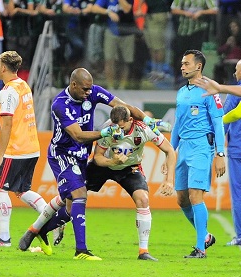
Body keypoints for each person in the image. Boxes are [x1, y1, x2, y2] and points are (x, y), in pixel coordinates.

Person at [19, 67, 165, 260]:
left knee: (70, 205)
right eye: (85, 89)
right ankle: (81, 251)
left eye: (90, 89)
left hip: (80, 157)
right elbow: (78, 136)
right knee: (79, 195)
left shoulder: (94, 92)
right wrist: (104, 133)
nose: (89, 93)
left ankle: (35, 230)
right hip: (63, 155)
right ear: (73, 85)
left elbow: (122, 106)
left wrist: (146, 119)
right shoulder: (60, 105)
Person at [86, 106, 176, 261]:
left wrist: (169, 180)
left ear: (130, 120)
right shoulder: (108, 128)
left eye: (121, 127)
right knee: (73, 191)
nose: (117, 131)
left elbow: (169, 150)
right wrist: (112, 161)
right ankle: (50, 225)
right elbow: (97, 157)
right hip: (105, 165)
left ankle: (143, 251)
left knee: (143, 199)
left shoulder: (145, 130)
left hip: (129, 168)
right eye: (115, 127)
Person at [0, 51, 49, 247]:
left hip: (16, 149)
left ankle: (3, 238)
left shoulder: (7, 91)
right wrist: (2, 144)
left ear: (2, 67)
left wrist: (0, 154)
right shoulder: (23, 86)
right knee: (22, 190)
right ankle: (51, 216)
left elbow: (8, 123)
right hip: (31, 147)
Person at [171, 49, 225, 258]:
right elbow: (177, 124)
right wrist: (170, 151)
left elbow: (218, 123)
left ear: (198, 66)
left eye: (186, 63)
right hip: (183, 147)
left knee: (195, 195)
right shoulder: (182, 92)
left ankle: (200, 249)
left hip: (202, 146)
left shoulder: (210, 90)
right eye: (182, 63)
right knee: (182, 199)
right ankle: (206, 236)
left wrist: (220, 154)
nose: (182, 66)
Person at [92, 0, 138, 90]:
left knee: (125, 61)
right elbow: (94, 8)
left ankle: (122, 86)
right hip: (111, 31)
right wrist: (108, 12)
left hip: (127, 32)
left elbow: (127, 9)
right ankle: (110, 86)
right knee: (109, 59)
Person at [221, 59, 241, 246]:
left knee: (238, 193)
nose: (235, 74)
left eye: (237, 70)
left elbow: (224, 120)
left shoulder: (235, 93)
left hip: (238, 150)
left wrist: (218, 148)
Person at [135, 0, 171, 81]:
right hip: (149, 14)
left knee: (158, 46)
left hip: (158, 14)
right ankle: (154, 71)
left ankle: (160, 72)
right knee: (151, 46)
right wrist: (140, 8)